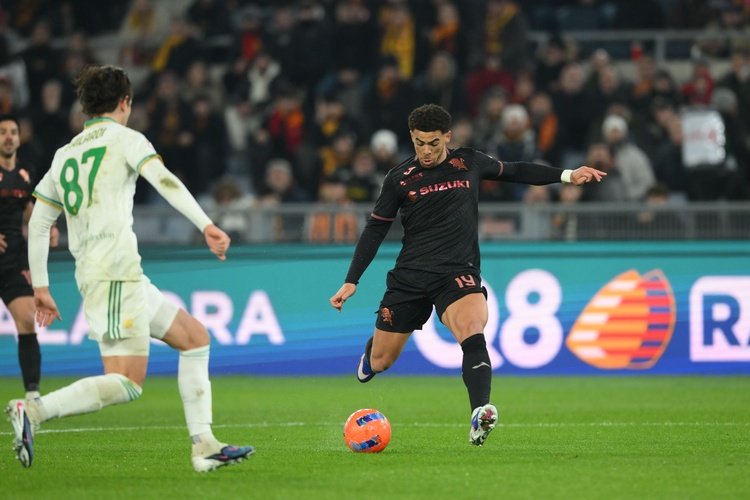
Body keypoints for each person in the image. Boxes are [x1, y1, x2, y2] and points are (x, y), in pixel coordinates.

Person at [5, 64, 253, 472]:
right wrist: (206, 224)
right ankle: (33, 411)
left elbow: (39, 222)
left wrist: (42, 286)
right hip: (114, 272)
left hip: (114, 274)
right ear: (125, 102)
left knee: (195, 338)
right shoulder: (126, 139)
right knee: (127, 383)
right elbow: (164, 180)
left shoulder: (65, 154)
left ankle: (205, 445)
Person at [329, 104, 605, 446]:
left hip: (457, 273)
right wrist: (352, 279)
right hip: (410, 277)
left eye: (433, 143)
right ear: (411, 138)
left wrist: (567, 175)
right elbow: (375, 229)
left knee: (472, 329)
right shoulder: (399, 178)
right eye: (419, 143)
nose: (426, 151)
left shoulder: (469, 162)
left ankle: (479, 413)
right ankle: (371, 357)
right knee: (382, 360)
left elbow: (516, 170)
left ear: (448, 137)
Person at [0, 115, 58, 400]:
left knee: (26, 320)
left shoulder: (26, 172)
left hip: (12, 260)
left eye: (13, 132)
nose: (9, 137)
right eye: (3, 132)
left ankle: (32, 397)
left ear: (20, 137)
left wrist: (47, 227)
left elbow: (27, 208)